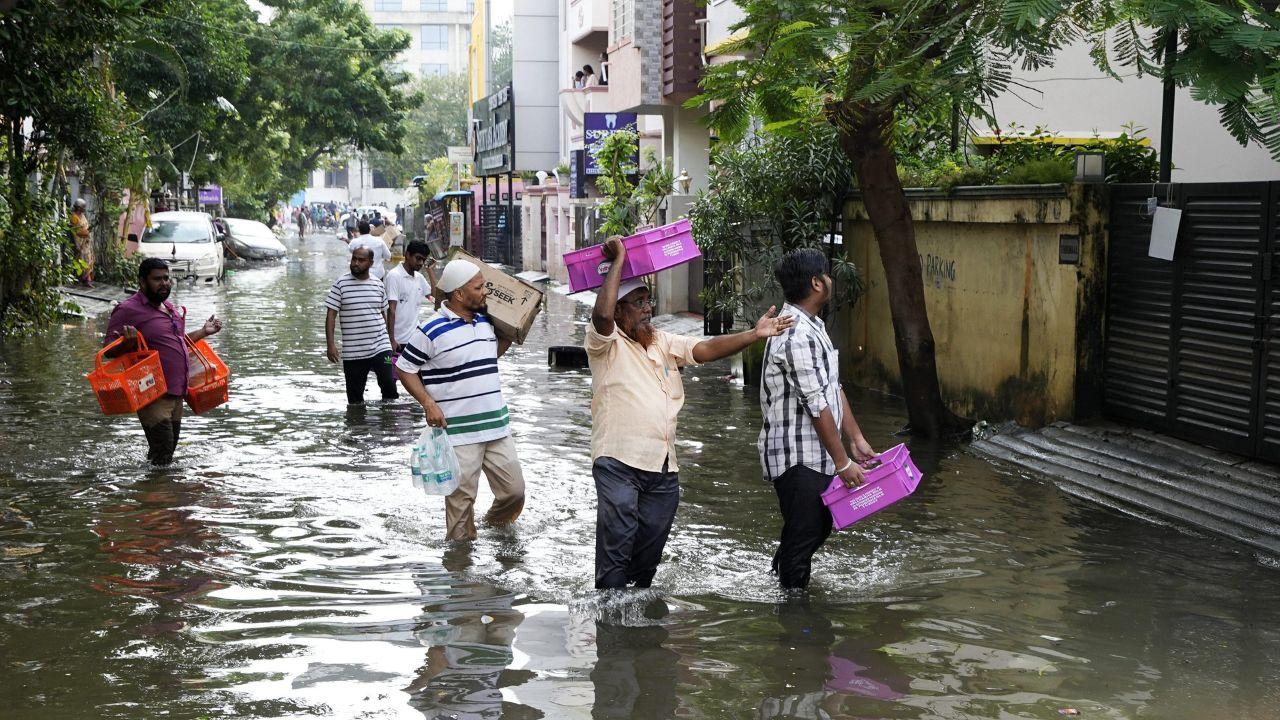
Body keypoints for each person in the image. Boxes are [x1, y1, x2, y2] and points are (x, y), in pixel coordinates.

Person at [585, 237, 795, 590]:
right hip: (617, 463)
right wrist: (619, 257)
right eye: (637, 303)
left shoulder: (661, 341)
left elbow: (706, 348)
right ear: (620, 311)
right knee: (617, 543)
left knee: (648, 558)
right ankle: (609, 622)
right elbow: (601, 315)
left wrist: (754, 335)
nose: (647, 308)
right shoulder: (605, 343)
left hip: (663, 468)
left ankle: (636, 624)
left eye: (647, 300)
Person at [759, 249, 876, 590]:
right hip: (796, 457)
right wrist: (843, 465)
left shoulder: (813, 327)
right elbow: (816, 405)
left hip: (817, 453)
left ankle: (780, 587)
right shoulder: (796, 335)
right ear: (816, 283)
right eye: (826, 273)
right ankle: (795, 621)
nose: (831, 279)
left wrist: (856, 439)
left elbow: (831, 387)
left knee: (813, 528)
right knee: (806, 532)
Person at [396, 259, 525, 541]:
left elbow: (488, 356)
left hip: (496, 425)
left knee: (514, 492)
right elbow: (404, 368)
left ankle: (493, 528)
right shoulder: (431, 330)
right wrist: (428, 404)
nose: (485, 293)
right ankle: (459, 569)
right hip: (459, 432)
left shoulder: (486, 322)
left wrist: (513, 332)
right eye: (479, 288)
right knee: (460, 508)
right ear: (459, 294)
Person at [104, 258, 225, 466]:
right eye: (157, 279)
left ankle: (158, 492)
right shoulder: (128, 309)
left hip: (178, 392)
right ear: (142, 282)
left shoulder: (170, 309)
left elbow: (177, 343)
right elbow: (108, 350)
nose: (164, 283)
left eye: (166, 278)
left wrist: (204, 332)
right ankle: (158, 494)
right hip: (152, 393)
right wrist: (127, 344)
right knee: (164, 452)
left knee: (165, 453)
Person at [325, 246, 398, 405]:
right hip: (354, 351)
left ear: (371, 263)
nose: (356, 263)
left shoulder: (378, 285)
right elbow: (331, 315)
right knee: (355, 399)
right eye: (354, 259)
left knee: (390, 388)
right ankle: (358, 428)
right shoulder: (341, 284)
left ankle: (390, 425)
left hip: (381, 346)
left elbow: (383, 313)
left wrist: (390, 339)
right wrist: (330, 345)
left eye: (361, 260)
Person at [385, 241, 435, 355]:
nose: (421, 263)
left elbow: (433, 296)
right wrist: (391, 339)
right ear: (407, 255)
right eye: (418, 258)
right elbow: (391, 310)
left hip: (414, 339)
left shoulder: (419, 277)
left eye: (423, 260)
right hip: (397, 340)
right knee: (394, 371)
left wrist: (430, 270)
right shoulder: (394, 276)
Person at [70, 198, 94, 286]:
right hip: (79, 242)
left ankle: (87, 279)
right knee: (81, 261)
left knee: (88, 260)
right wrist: (87, 231)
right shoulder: (74, 217)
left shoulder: (82, 215)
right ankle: (80, 279)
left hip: (86, 243)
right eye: (83, 207)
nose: (84, 209)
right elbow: (77, 231)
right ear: (79, 208)